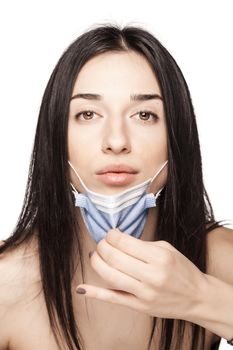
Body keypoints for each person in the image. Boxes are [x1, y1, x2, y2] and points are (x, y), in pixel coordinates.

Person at [0, 23, 232, 350]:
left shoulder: (222, 260)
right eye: (88, 113)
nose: (116, 141)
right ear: (55, 138)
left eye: (144, 115)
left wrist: (201, 298)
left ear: (177, 137)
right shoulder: (6, 282)